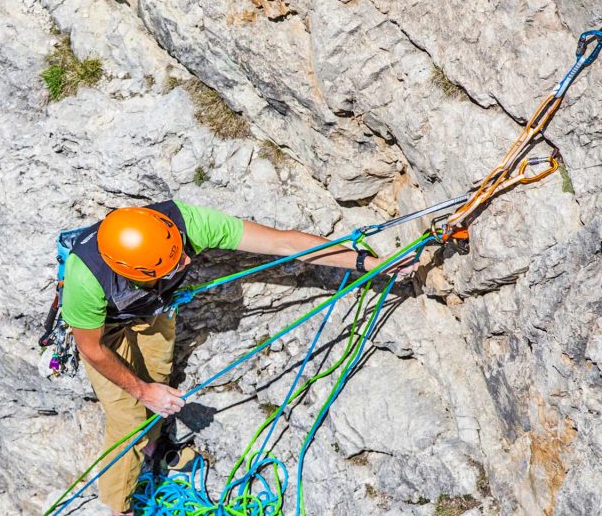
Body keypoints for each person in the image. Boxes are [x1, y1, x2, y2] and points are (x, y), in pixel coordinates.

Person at [61, 200, 414, 515]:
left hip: (155, 309)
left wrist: (370, 263)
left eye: (179, 251)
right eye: (171, 265)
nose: (186, 259)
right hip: (105, 331)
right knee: (128, 421)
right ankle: (116, 506)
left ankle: (153, 450)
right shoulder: (86, 279)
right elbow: (91, 348)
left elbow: (284, 243)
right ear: (134, 272)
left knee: (160, 376)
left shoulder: (181, 222)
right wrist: (141, 392)